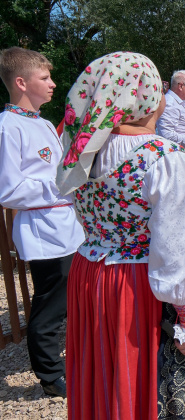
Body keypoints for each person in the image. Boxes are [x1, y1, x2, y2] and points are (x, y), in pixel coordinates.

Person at [59, 52, 185, 419]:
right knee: (147, 386)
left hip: (91, 275)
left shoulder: (83, 150)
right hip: (140, 284)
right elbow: (176, 240)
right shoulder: (163, 157)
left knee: (104, 375)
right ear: (144, 94)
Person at [0, 47, 85, 398]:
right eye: (45, 77)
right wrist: (62, 185)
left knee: (73, 296)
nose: (53, 84)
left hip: (66, 224)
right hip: (42, 230)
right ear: (21, 82)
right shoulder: (8, 127)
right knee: (51, 303)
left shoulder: (45, 123)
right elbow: (10, 190)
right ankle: (50, 376)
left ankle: (74, 357)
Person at [157, 69, 185, 155]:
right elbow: (166, 134)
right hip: (176, 156)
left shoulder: (179, 102)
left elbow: (175, 126)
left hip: (182, 155)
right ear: (180, 86)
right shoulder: (170, 103)